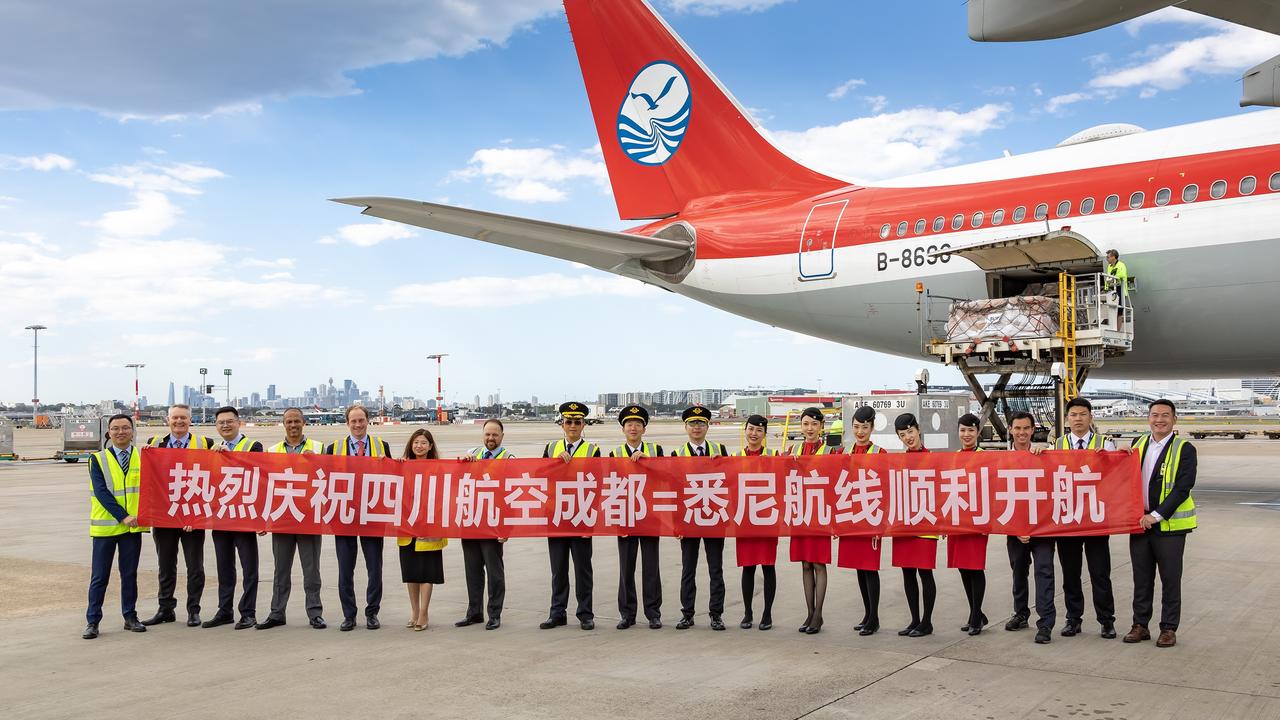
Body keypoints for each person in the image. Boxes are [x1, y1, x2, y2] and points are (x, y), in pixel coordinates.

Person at [1041, 397, 1118, 639]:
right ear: (1067, 419)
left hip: (1095, 519)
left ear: (1090, 417)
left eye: (1082, 414)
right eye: (1073, 415)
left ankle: (1106, 620)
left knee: (1100, 573)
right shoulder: (1057, 445)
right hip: (1068, 520)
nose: (1078, 419)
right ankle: (1074, 619)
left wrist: (1117, 455)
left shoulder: (1105, 444)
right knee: (1071, 574)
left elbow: (1118, 475)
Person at [1124, 399, 1197, 649]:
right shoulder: (1138, 443)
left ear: (1174, 419)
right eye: (1155, 415)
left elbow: (1182, 489)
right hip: (1139, 523)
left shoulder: (1184, 449)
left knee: (1170, 579)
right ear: (1148, 418)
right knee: (1141, 578)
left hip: (1169, 527)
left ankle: (1168, 628)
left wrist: (1155, 515)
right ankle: (1140, 625)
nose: (1160, 420)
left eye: (1166, 415)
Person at [140, 404, 213, 627]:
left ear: (190, 420)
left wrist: (197, 516)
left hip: (193, 517)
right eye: (175, 418)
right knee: (166, 565)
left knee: (195, 566)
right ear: (167, 420)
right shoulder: (155, 444)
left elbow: (213, 479)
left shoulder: (205, 444)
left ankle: (193, 610)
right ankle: (165, 609)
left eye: (183, 418)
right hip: (165, 516)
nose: (179, 422)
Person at [323, 404, 392, 632]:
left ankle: (372, 612)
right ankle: (349, 615)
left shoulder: (382, 446)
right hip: (344, 515)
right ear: (347, 423)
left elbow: (394, 479)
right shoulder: (334, 448)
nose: (358, 425)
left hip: (372, 515)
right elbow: (323, 480)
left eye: (361, 420)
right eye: (353, 421)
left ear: (367, 420)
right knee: (345, 568)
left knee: (375, 567)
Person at [257, 408, 326, 630]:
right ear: (283, 424)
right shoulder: (273, 450)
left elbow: (329, 479)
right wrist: (264, 518)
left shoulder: (318, 448)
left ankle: (315, 613)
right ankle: (277, 613)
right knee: (281, 570)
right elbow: (265, 486)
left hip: (308, 518)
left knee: (311, 570)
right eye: (289, 421)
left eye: (297, 421)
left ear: (304, 423)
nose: (293, 425)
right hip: (283, 518)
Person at [83, 413, 148, 639]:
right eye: (115, 429)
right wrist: (123, 516)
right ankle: (92, 621)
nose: (121, 432)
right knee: (100, 576)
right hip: (107, 527)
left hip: (133, 529)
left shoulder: (143, 456)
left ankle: (130, 617)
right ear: (109, 433)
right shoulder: (97, 459)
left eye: (125, 428)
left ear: (132, 431)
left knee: (129, 575)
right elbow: (102, 492)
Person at [540, 401, 601, 630]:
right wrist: (556, 463)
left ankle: (585, 613)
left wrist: (592, 522)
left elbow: (598, 485)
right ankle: (557, 612)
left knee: (583, 569)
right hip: (557, 516)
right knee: (558, 569)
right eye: (568, 421)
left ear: (583, 424)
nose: (573, 426)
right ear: (562, 424)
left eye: (577, 422)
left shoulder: (592, 450)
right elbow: (541, 477)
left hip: (581, 516)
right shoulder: (551, 448)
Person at [204, 406, 263, 630]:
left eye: (230, 421)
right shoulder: (212, 449)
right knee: (224, 566)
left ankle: (248, 612)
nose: (225, 426)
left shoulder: (253, 446)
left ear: (239, 423)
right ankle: (225, 610)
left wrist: (227, 457)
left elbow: (257, 476)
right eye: (221, 423)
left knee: (249, 567)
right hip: (221, 516)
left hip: (245, 516)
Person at [1002, 411, 1059, 644]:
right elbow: (997, 497)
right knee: (1018, 572)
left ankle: (1045, 623)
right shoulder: (1001, 460)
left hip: (1042, 527)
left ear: (1033, 430)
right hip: (1015, 527)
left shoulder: (1043, 455)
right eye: (1017, 428)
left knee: (1044, 572)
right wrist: (1017, 528)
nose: (1022, 432)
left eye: (1026, 428)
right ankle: (1021, 613)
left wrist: (1045, 450)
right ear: (1010, 430)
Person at [672, 405, 730, 631]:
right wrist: (676, 523)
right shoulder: (677, 454)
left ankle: (716, 614)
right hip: (689, 518)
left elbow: (730, 483)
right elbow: (675, 491)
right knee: (688, 569)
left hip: (714, 517)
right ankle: (687, 613)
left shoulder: (720, 450)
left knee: (716, 569)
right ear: (685, 427)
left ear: (708, 426)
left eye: (701, 423)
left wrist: (723, 463)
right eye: (692, 423)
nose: (697, 427)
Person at [609, 405, 664, 630]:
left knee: (651, 566)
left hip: (650, 515)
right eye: (629, 424)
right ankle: (627, 613)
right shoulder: (614, 454)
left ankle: (653, 612)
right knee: (626, 567)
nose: (633, 428)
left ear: (644, 428)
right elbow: (610, 487)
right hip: (626, 517)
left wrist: (649, 462)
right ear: (623, 429)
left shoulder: (656, 450)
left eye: (638, 424)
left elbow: (667, 477)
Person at [786, 407, 840, 635]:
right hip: (800, 513)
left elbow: (837, 482)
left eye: (814, 425)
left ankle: (818, 614)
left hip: (820, 513)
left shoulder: (831, 451)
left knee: (818, 563)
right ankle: (809, 612)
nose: (810, 429)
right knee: (805, 564)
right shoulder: (792, 450)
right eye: (806, 424)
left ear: (821, 427)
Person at [455, 419, 510, 631]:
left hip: (493, 524)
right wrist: (463, 463)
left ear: (502, 437)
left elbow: (510, 496)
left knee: (494, 571)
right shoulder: (472, 453)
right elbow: (457, 481)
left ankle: (494, 613)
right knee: (472, 570)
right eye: (488, 434)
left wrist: (506, 528)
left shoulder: (509, 458)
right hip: (471, 521)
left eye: (495, 435)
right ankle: (474, 612)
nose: (491, 438)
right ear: (482, 435)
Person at [838, 405, 885, 636]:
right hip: (852, 518)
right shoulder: (845, 453)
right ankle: (867, 614)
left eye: (864, 427)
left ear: (872, 428)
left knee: (870, 569)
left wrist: (881, 524)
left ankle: (874, 618)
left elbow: (885, 490)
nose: (860, 432)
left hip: (871, 519)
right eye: (856, 427)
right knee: (859, 568)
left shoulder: (880, 453)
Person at [892, 413, 937, 637]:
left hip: (926, 525)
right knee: (907, 573)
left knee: (925, 573)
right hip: (904, 525)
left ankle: (927, 622)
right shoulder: (899, 461)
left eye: (910, 432)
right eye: (902, 435)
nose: (908, 437)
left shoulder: (933, 459)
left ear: (918, 430)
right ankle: (914, 619)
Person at [398, 429, 446, 631]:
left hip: (429, 526)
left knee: (427, 572)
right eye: (416, 442)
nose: (419, 446)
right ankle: (414, 611)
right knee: (411, 573)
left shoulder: (439, 468)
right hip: (407, 527)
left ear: (430, 446)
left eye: (423, 442)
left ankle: (424, 612)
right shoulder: (402, 466)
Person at [735, 414, 779, 631]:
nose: (754, 434)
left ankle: (767, 613)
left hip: (768, 518)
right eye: (751, 429)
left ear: (764, 434)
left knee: (768, 566)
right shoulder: (734, 457)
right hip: (745, 519)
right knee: (748, 567)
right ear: (745, 430)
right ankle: (748, 612)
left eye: (759, 430)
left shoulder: (774, 455)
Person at [949, 413, 989, 635]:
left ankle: (976, 617)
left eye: (971, 430)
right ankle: (976, 612)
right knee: (963, 567)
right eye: (963, 430)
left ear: (978, 433)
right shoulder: (953, 457)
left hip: (976, 522)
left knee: (975, 567)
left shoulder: (984, 456)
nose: (966, 435)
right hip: (957, 520)